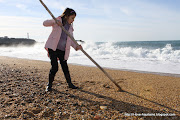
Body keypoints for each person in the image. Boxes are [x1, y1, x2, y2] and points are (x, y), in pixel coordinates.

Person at [43, 8, 82, 92]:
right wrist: (55, 21)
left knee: (65, 67)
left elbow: (71, 39)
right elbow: (44, 23)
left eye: (74, 18)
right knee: (54, 67)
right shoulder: (58, 20)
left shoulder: (70, 28)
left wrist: (76, 46)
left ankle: (70, 84)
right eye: (72, 18)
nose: (73, 20)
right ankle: (49, 85)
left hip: (62, 49)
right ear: (67, 16)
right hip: (53, 48)